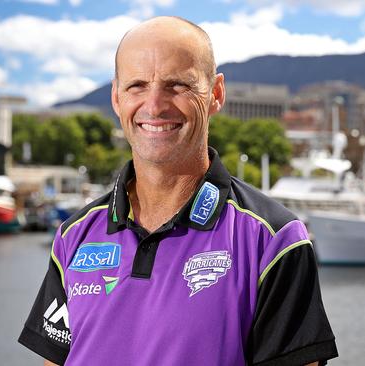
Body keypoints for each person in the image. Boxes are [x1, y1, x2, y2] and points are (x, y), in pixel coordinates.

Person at [18, 16, 338, 366]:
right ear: (115, 97)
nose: (154, 105)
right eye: (137, 85)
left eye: (176, 85)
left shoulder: (274, 240)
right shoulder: (73, 235)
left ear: (215, 94)